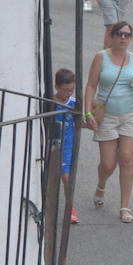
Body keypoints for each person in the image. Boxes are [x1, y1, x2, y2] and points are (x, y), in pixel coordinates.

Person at [82, 21, 133, 224]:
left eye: (127, 34)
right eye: (119, 34)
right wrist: (87, 112)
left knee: (126, 158)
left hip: (131, 114)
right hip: (107, 115)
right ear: (112, 36)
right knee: (109, 164)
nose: (123, 38)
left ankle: (125, 206)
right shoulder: (101, 57)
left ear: (131, 37)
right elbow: (91, 86)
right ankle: (101, 184)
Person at [51, 68, 79, 225]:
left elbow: (81, 123)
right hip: (52, 144)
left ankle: (70, 209)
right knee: (50, 177)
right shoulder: (49, 102)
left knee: (66, 177)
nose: (68, 94)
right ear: (56, 87)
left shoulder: (74, 104)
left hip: (68, 146)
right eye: (65, 90)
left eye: (71, 90)